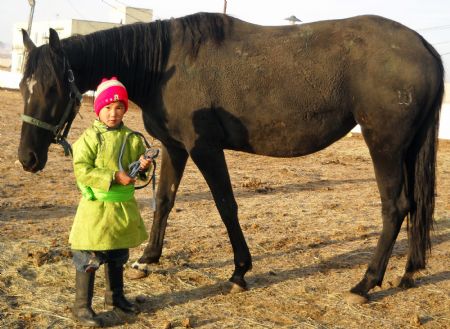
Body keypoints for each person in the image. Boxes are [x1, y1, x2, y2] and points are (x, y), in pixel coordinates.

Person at [69, 77, 151, 327]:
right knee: (89, 255)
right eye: (107, 107)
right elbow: (81, 168)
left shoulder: (133, 138)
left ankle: (115, 297)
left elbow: (138, 172)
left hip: (122, 207)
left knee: (117, 253)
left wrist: (143, 167)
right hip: (97, 207)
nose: (113, 113)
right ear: (98, 109)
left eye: (119, 108)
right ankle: (81, 306)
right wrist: (113, 176)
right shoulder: (90, 137)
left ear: (125, 109)